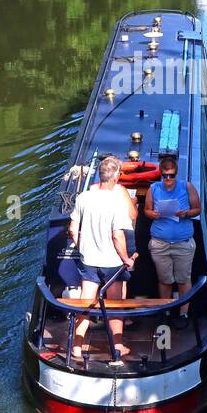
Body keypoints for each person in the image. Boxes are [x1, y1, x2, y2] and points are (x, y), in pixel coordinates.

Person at [68, 155, 135, 361]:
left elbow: (72, 229)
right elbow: (117, 235)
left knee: (85, 305)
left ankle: (76, 348)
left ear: (100, 175)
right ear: (115, 177)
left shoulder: (83, 197)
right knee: (115, 306)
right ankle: (117, 347)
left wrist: (83, 248)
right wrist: (127, 259)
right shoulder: (117, 201)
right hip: (113, 264)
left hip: (88, 261)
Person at [143, 154, 200, 325]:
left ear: (176, 174)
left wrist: (187, 213)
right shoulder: (153, 189)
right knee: (165, 279)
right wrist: (152, 214)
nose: (168, 179)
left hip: (183, 244)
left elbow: (197, 209)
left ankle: (183, 314)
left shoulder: (187, 187)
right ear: (160, 174)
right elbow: (146, 210)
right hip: (160, 244)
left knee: (183, 279)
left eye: (172, 176)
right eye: (165, 176)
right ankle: (165, 310)